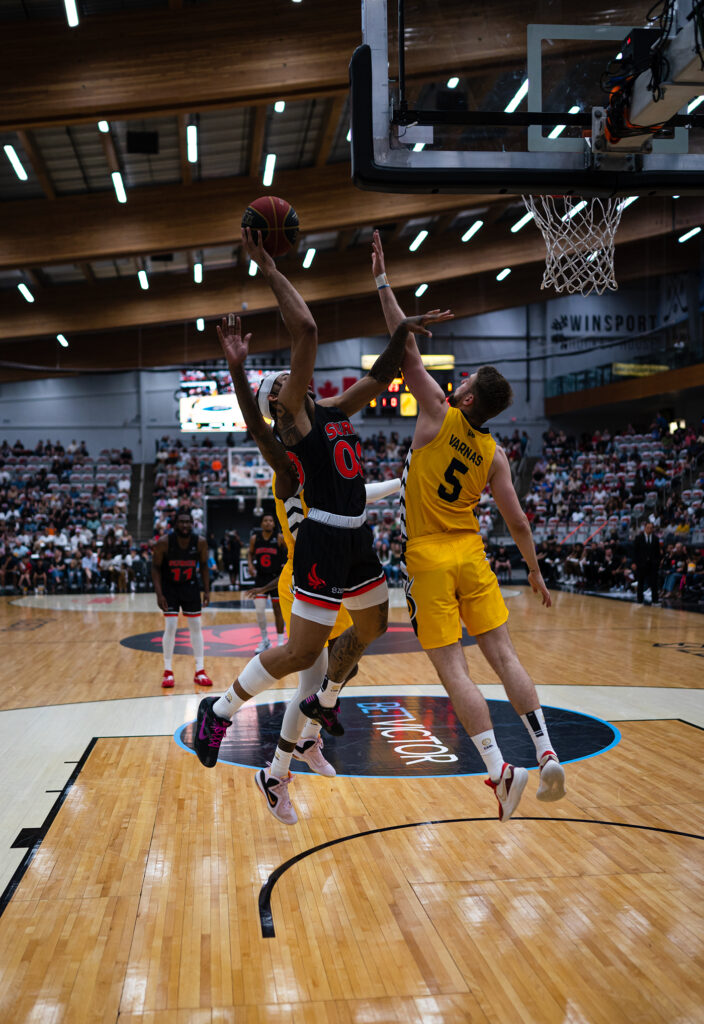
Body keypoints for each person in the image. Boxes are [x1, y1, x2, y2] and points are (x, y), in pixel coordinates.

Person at [191, 228, 447, 826]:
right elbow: (304, 330)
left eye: (286, 379)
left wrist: (404, 330)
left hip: (356, 534)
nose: (288, 380)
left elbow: (382, 376)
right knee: (299, 650)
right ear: (276, 407)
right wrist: (265, 267)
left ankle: (322, 702)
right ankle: (221, 712)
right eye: (277, 384)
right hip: (322, 542)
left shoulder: (330, 412)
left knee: (376, 624)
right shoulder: (287, 438)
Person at [372, 229, 565, 822]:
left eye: (465, 384)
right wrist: (533, 573)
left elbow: (402, 350)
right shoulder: (496, 454)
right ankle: (546, 749)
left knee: (451, 667)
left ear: (469, 397)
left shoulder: (436, 413)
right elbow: (520, 522)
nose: (455, 385)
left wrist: (384, 282)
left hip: (427, 556)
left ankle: (499, 770)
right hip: (472, 554)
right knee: (503, 656)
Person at [151, 507, 214, 689]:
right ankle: (168, 671)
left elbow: (203, 567)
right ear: (175, 524)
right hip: (169, 587)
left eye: (188, 522)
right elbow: (155, 568)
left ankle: (200, 670)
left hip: (190, 586)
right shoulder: (164, 542)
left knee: (196, 627)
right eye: (181, 521)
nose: (185, 525)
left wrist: (207, 590)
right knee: (170, 627)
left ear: (192, 524)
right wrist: (159, 593)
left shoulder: (200, 542)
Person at [247, 512, 287, 651]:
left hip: (276, 578)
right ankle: (265, 640)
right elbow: (250, 553)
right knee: (259, 610)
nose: (268, 522)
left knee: (278, 611)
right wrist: (250, 565)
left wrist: (284, 565)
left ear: (274, 523)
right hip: (261, 578)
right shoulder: (255, 539)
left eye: (270, 520)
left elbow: (287, 555)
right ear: (261, 523)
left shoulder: (279, 538)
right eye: (265, 520)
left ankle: (281, 642)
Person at [632, 521, 661, 605]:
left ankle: (655, 600)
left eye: (651, 528)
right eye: (648, 527)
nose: (649, 529)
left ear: (653, 529)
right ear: (645, 528)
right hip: (641, 564)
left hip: (652, 564)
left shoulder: (656, 539)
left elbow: (658, 553)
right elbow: (635, 552)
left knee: (654, 583)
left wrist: (657, 562)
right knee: (640, 582)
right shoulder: (639, 538)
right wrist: (634, 562)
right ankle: (639, 600)